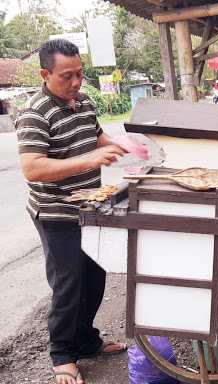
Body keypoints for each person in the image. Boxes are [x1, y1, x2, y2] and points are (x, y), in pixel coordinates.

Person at [15, 39, 128, 384]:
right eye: (68, 76)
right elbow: (33, 168)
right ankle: (62, 354)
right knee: (68, 284)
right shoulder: (35, 113)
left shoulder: (84, 101)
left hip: (89, 205)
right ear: (45, 74)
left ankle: (87, 342)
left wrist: (128, 146)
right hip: (55, 213)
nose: (77, 82)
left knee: (95, 278)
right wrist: (89, 160)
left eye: (80, 73)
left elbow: (96, 138)